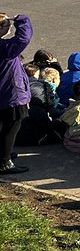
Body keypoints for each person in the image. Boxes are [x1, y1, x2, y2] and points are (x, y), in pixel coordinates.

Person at [0, 12, 33, 174]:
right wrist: (23, 21)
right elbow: (23, 38)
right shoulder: (5, 49)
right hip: (11, 94)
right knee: (11, 127)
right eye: (7, 26)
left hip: (3, 93)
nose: (9, 28)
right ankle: (5, 162)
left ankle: (3, 154)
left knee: (3, 126)